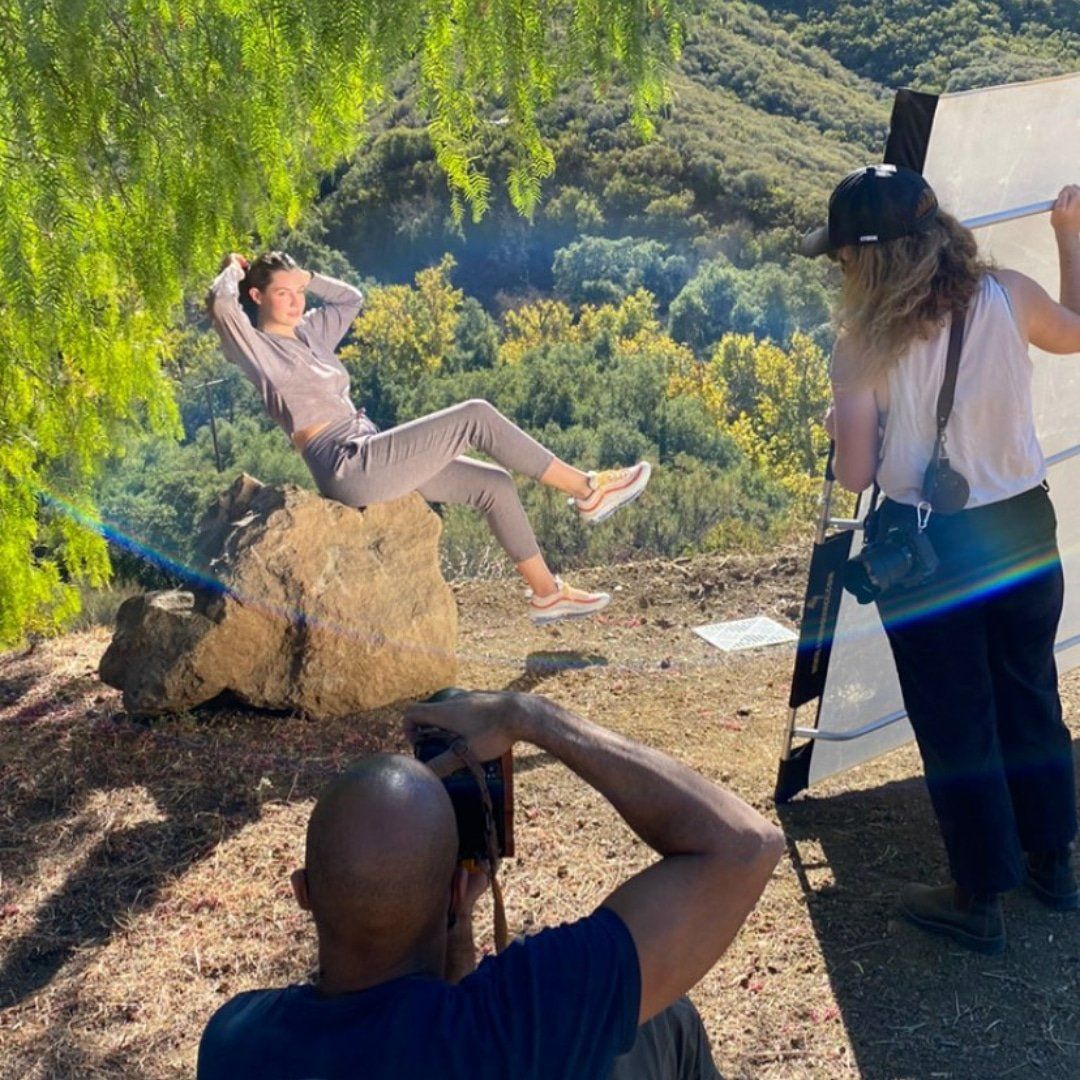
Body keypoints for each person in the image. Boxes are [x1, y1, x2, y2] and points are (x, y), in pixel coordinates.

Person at [196, 691, 785, 1078]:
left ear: (303, 891)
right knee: (659, 1019)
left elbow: (417, 1019)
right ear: (457, 892)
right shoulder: (516, 1030)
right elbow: (745, 845)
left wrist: (453, 915)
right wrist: (528, 717)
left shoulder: (231, 1040)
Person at [804, 165, 1080, 954]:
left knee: (957, 718)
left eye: (842, 257)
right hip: (1023, 529)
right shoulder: (1009, 294)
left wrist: (840, 422)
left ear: (867, 259)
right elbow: (1077, 330)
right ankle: (1054, 866)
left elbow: (857, 473)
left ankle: (978, 896)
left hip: (927, 548)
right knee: (1030, 693)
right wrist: (1069, 237)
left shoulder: (861, 345)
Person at [206, 252, 652, 624]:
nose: (295, 301)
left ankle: (547, 593)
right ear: (257, 296)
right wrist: (233, 269)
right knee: (476, 416)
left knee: (493, 485)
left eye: (299, 292)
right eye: (282, 293)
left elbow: (351, 299)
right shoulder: (257, 349)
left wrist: (308, 276)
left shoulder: (311, 333)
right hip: (346, 465)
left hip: (371, 448)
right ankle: (587, 490)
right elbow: (222, 306)